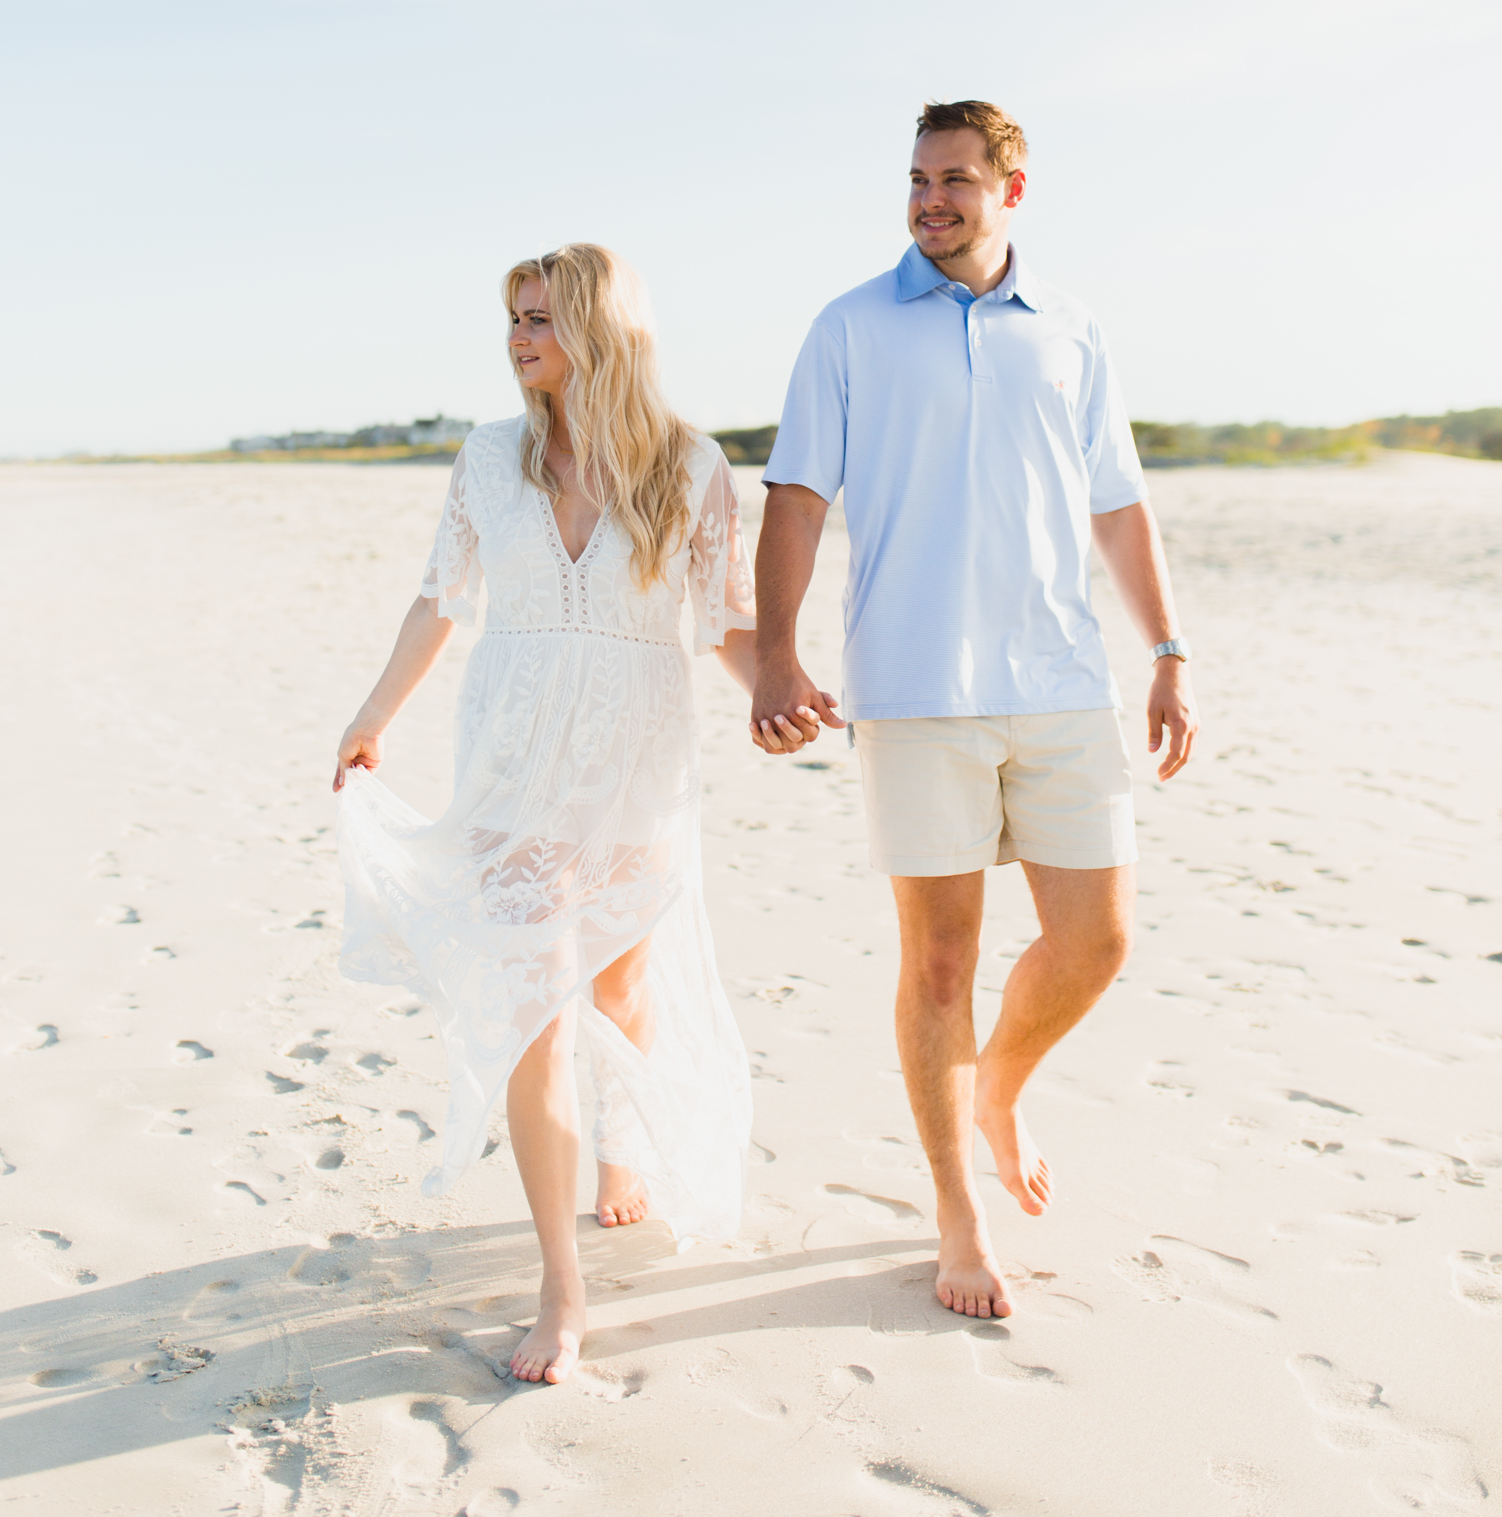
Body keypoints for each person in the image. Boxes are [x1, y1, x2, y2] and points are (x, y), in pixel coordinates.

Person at [750, 101, 1198, 1322]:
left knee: (1096, 940)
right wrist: (778, 652)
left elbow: (1118, 503)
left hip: (1063, 681)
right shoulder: (849, 326)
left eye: (954, 180)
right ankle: (957, 1213)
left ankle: (995, 1085)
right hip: (913, 690)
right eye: (915, 179)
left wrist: (1166, 649)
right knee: (938, 958)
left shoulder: (1070, 327)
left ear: (1011, 189)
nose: (929, 199)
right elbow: (794, 495)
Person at [333, 244, 773, 1385]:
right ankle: (558, 1283)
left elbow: (724, 622)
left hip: (636, 754)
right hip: (514, 751)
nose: (519, 337)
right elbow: (443, 597)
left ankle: (622, 1148)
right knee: (537, 999)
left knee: (622, 983)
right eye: (512, 319)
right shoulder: (488, 458)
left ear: (599, 325)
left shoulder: (688, 464)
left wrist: (784, 688)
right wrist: (374, 711)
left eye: (539, 318)